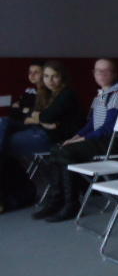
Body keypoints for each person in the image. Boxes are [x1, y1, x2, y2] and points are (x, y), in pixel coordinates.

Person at [32, 59, 118, 222]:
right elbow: (92, 124)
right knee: (57, 148)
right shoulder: (101, 94)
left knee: (67, 152)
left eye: (106, 71)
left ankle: (71, 204)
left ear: (115, 74)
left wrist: (82, 139)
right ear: (93, 73)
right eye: (98, 71)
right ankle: (56, 200)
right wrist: (75, 137)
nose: (101, 74)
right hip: (104, 139)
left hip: (117, 141)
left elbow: (109, 127)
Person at [0, 61, 84, 190]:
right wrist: (41, 119)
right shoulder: (47, 92)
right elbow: (20, 113)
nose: (50, 80)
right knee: (4, 123)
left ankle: (13, 190)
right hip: (41, 131)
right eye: (46, 76)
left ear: (62, 77)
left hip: (54, 139)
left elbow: (45, 116)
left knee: (4, 143)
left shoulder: (67, 94)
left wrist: (39, 117)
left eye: (55, 76)